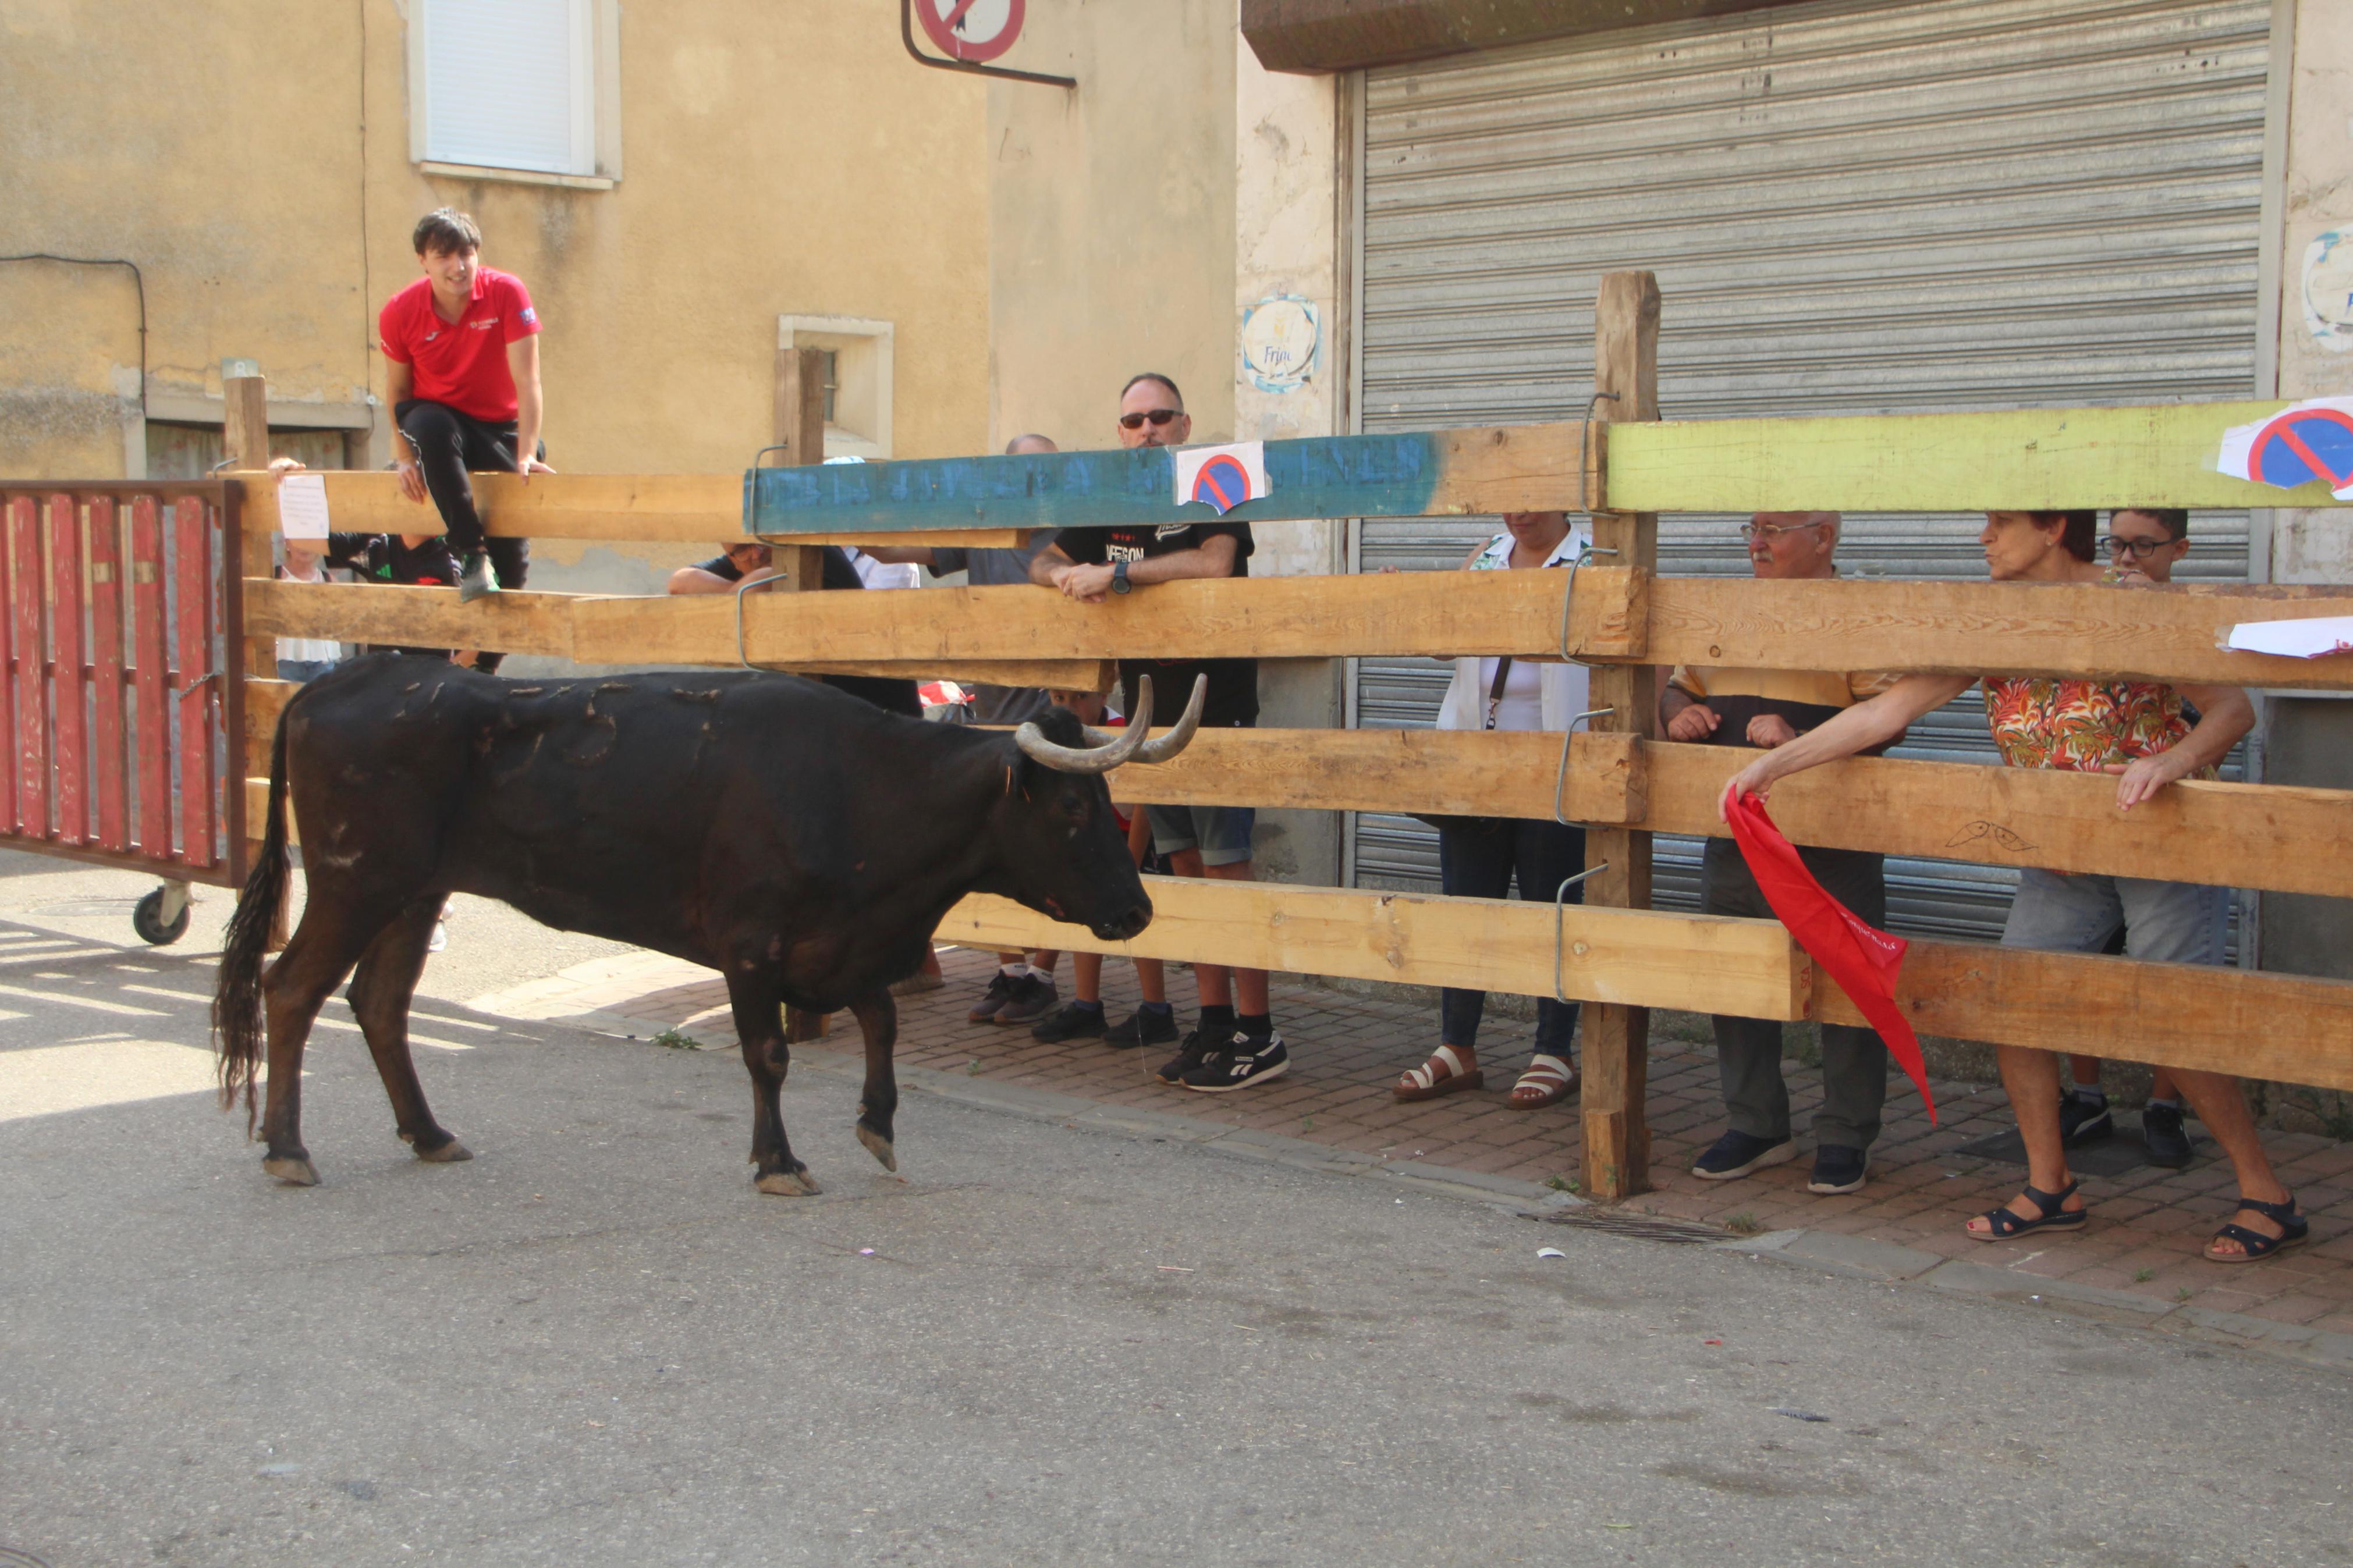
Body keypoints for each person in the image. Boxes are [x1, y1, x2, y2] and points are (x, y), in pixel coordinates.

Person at [1721, 510, 2305, 1262]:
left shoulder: (2126, 602)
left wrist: (2169, 762)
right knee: (2011, 1003)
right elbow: (1885, 709)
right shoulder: (1990, 618)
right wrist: (1770, 766)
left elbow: (2231, 708)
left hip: (2159, 844)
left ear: (2052, 528)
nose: (1981, 538)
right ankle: (2049, 1184)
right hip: (2057, 856)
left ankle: (2266, 1195)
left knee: (2172, 1017)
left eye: (2000, 523)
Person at [1027, 373, 1283, 1091]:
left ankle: (1259, 1033)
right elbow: (1040, 557)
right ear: (1119, 431)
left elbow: (1214, 562)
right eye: (1133, 420)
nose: (1146, 430)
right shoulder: (1114, 498)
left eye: (1159, 418)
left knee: (1228, 872)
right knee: (1183, 870)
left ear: (1183, 422)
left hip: (1216, 709)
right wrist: (1069, 577)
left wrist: (1118, 575)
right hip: (1150, 717)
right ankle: (1211, 1020)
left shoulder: (1209, 487)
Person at [1659, 513, 1901, 1195]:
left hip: (1831, 839)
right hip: (1734, 833)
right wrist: (1673, 712)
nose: (1754, 544)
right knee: (1732, 977)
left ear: (1823, 537)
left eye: (1774, 531)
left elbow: (1888, 721)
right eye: (1750, 529)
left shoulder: (1858, 618)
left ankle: (1846, 1132)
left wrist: (1804, 733)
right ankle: (1756, 1121)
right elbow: (1682, 682)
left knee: (1848, 983)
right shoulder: (1727, 609)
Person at [863, 435, 1074, 1027]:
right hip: (990, 702)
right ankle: (1011, 968)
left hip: (1054, 700)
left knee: (1055, 835)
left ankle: (1044, 973)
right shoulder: (982, 529)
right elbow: (891, 550)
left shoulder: (1072, 527)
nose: (1028, 480)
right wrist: (848, 515)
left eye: (1039, 469)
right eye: (1017, 470)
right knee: (991, 836)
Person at [1392, 509, 1593, 1112]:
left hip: (1554, 768)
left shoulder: (1591, 560)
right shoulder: (1485, 553)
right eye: (1510, 500)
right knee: (1466, 907)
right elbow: (1441, 648)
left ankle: (1552, 1050)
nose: (1521, 514)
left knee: (1550, 911)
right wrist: (1412, 603)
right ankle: (1457, 1046)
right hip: (1474, 768)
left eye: (1533, 499)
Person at [2061, 506, 2196, 1167]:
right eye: (2117, 544)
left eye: (2143, 545)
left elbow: (2226, 714)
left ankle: (2165, 1104)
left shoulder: (2193, 615)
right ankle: (2085, 1097)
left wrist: (2158, 620)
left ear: (2178, 548)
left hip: (2165, 821)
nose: (2127, 559)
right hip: (2086, 820)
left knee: (2168, 973)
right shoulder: (2090, 602)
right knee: (2077, 966)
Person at [379, 208, 552, 607]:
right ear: (423, 260)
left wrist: (527, 453)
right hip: (435, 424)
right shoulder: (399, 311)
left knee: (509, 567)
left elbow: (529, 382)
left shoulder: (507, 292)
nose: (457, 267)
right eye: (443, 256)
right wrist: (403, 457)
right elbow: (398, 388)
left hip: (496, 427)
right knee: (429, 423)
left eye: (466, 254)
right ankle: (470, 552)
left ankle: (487, 666)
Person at [1024, 687, 1164, 1044]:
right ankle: (1087, 1006)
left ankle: (1156, 1009)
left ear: (1103, 696)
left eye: (1078, 698)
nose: (1068, 709)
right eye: (1058, 699)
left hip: (1135, 836)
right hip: (1096, 837)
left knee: (1139, 914)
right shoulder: (1057, 739)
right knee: (1082, 905)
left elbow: (1144, 804)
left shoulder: (1121, 731)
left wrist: (1130, 861)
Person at [668, 541, 775, 595]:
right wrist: (743, 590)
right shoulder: (734, 561)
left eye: (761, 542)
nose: (757, 554)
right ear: (733, 560)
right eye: (743, 550)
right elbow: (678, 582)